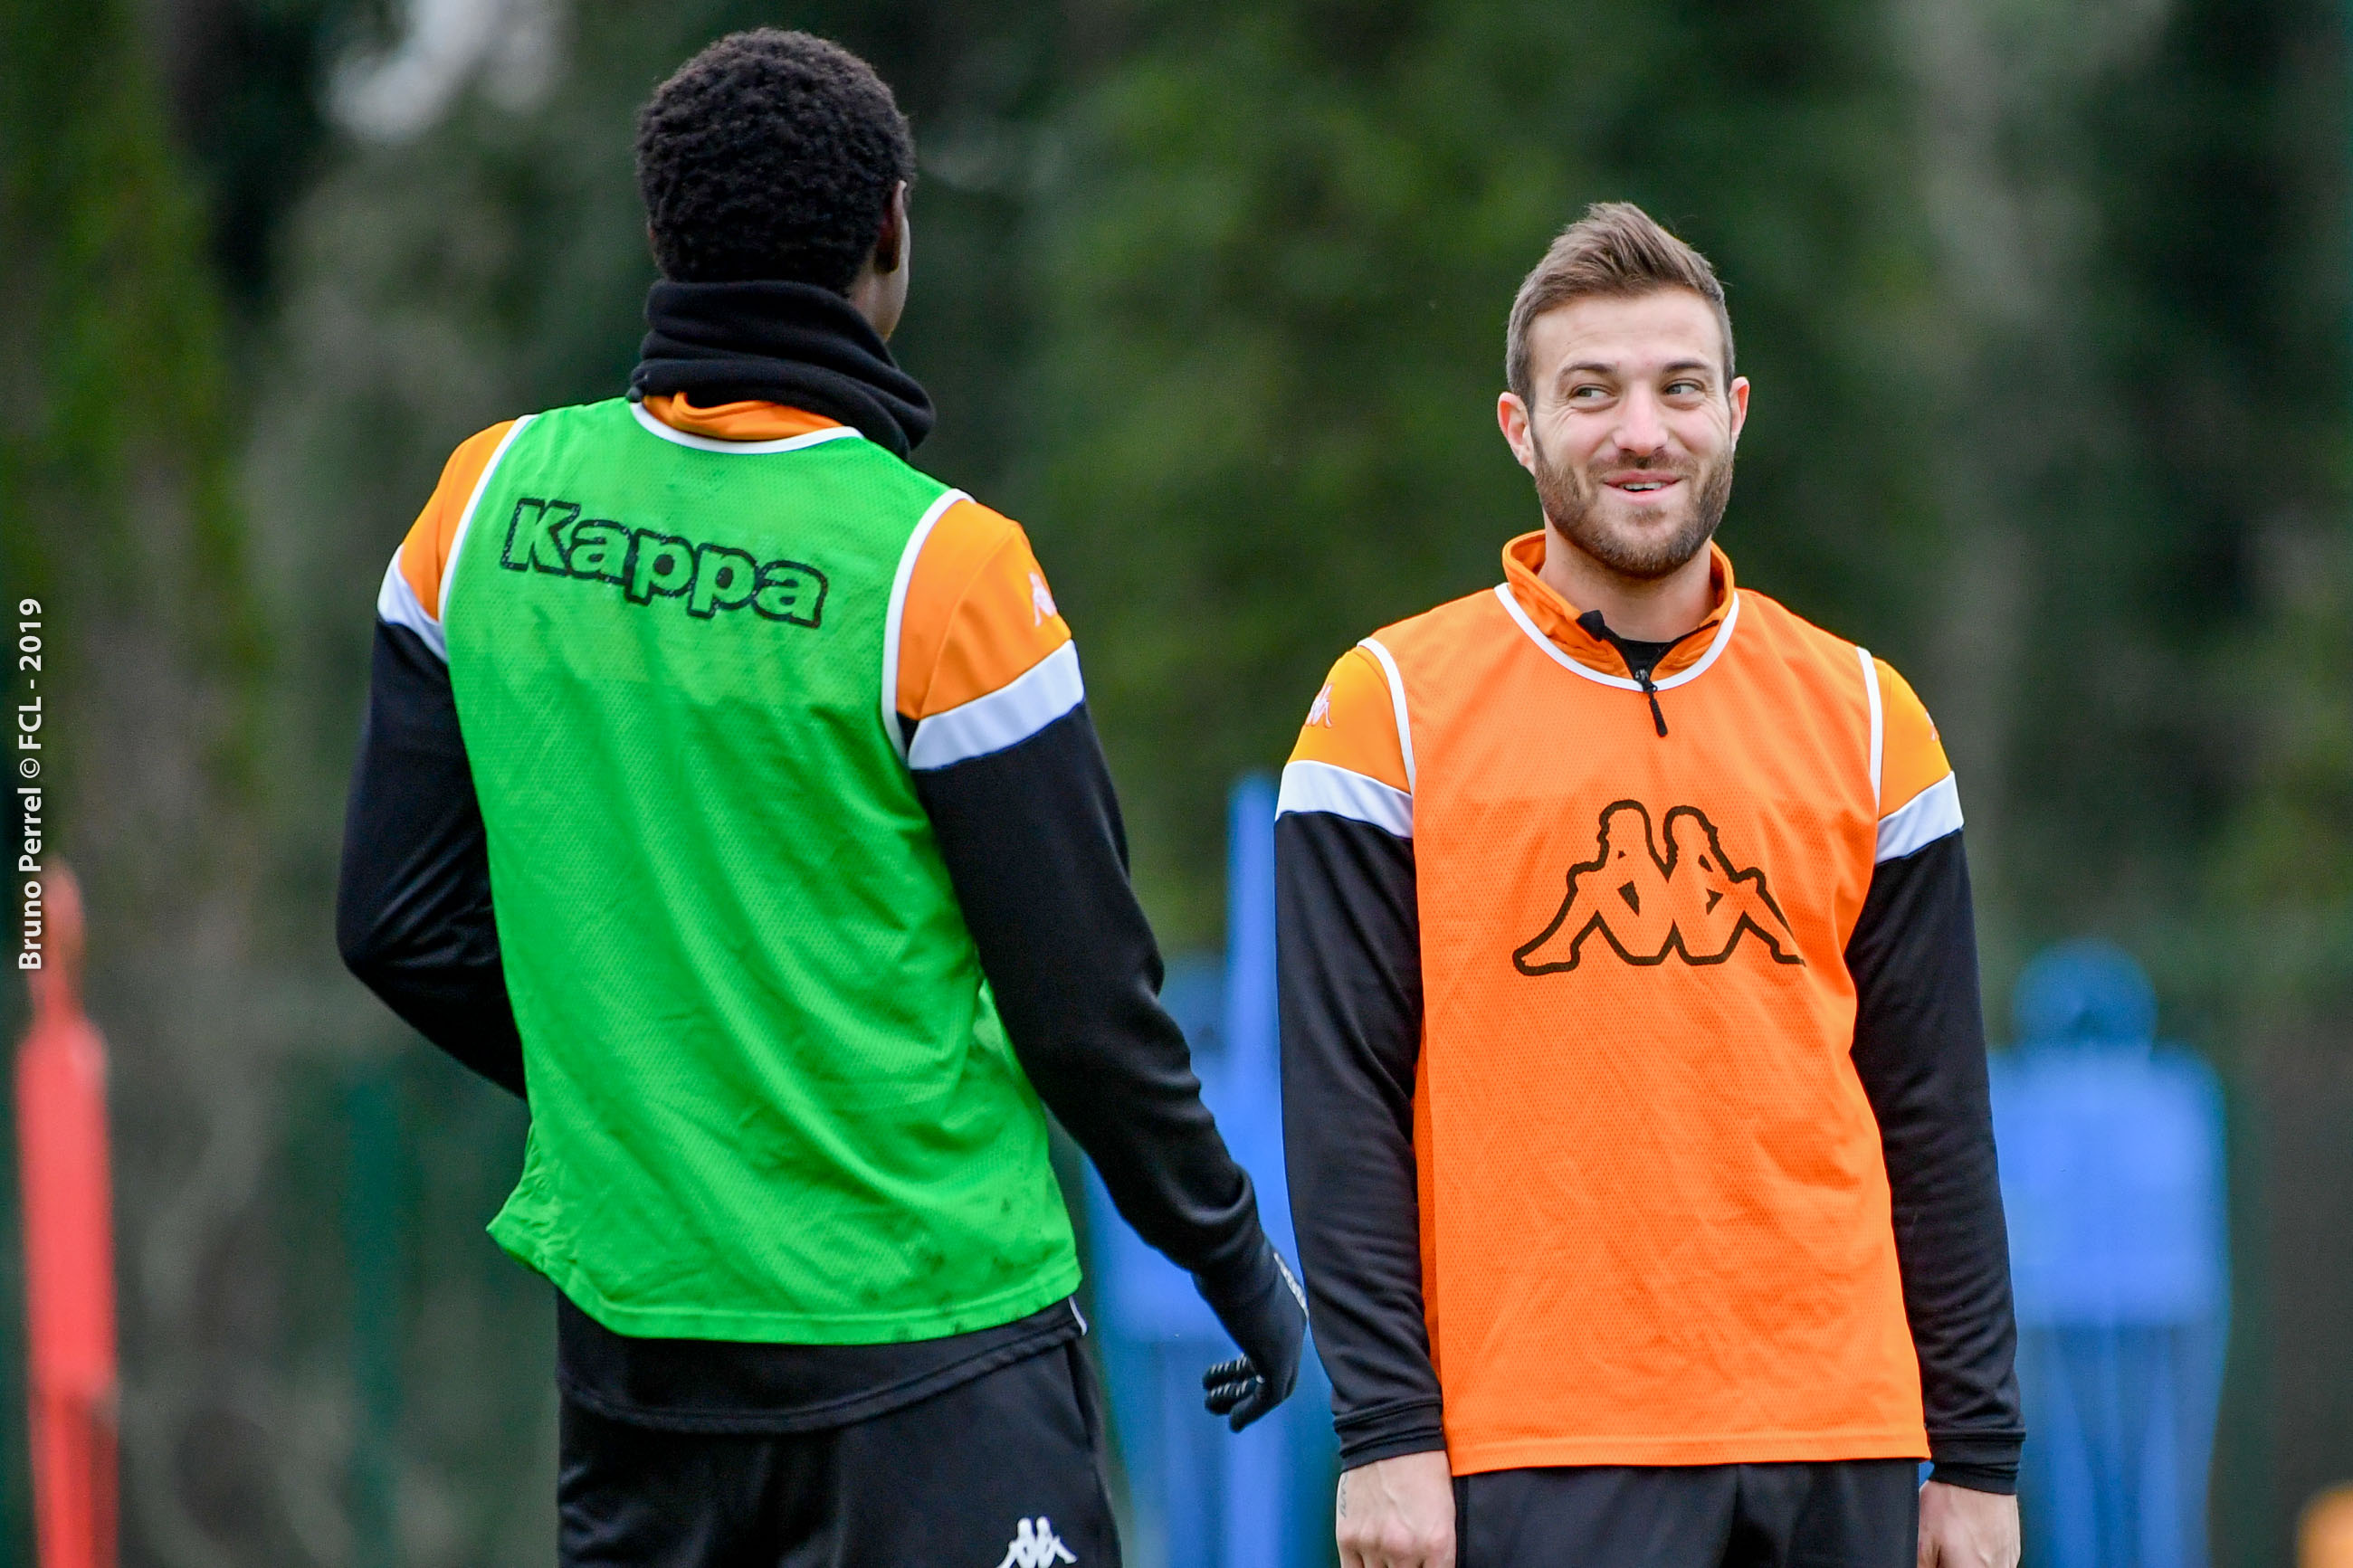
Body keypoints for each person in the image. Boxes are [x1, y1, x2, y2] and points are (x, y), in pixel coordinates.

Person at [335, 30, 1303, 1567]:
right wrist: (1238, 1261)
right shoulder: (945, 571)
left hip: (643, 1361)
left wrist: (652, 1096)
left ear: (662, 232)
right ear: (891, 235)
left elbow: (394, 921)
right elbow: (1088, 1017)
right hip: (936, 1345)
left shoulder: (483, 506)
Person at [1276, 203, 2024, 1568]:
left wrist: (1978, 1453)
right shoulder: (1385, 709)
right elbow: (1341, 1108)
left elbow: (1937, 1118)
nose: (1641, 431)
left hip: (1839, 1436)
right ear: (1519, 429)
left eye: (1680, 388)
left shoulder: (1872, 716)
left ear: (1733, 414)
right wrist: (1384, 1432)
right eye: (1591, 392)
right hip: (1531, 1444)